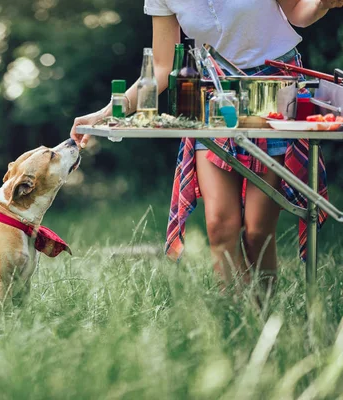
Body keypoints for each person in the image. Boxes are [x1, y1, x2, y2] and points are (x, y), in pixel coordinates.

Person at [70, 0, 342, 287]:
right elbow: (162, 68)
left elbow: (298, 13)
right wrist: (108, 111)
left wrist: (321, 4)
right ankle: (235, 319)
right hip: (214, 98)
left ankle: (261, 317)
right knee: (220, 227)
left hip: (273, 92)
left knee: (257, 232)